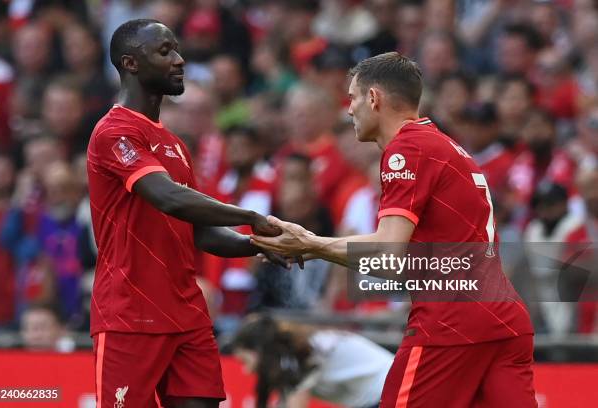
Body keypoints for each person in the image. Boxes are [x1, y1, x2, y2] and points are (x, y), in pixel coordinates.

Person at [251, 52, 537, 407]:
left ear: (374, 98)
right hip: (505, 319)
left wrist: (310, 244)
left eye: (353, 98)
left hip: (452, 321)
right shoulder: (446, 146)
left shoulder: (408, 147)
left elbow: (387, 252)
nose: (349, 109)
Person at [87, 19, 288, 408]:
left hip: (188, 314)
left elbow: (199, 232)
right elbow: (168, 198)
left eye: (177, 49)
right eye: (165, 52)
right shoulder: (113, 132)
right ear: (130, 63)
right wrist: (251, 215)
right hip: (130, 314)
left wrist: (256, 244)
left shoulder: (175, 145)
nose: (179, 60)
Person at [231, 314, 394, 408]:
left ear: (259, 350)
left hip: (389, 392)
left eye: (245, 360)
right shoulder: (297, 354)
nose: (247, 370)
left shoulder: (307, 351)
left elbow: (295, 405)